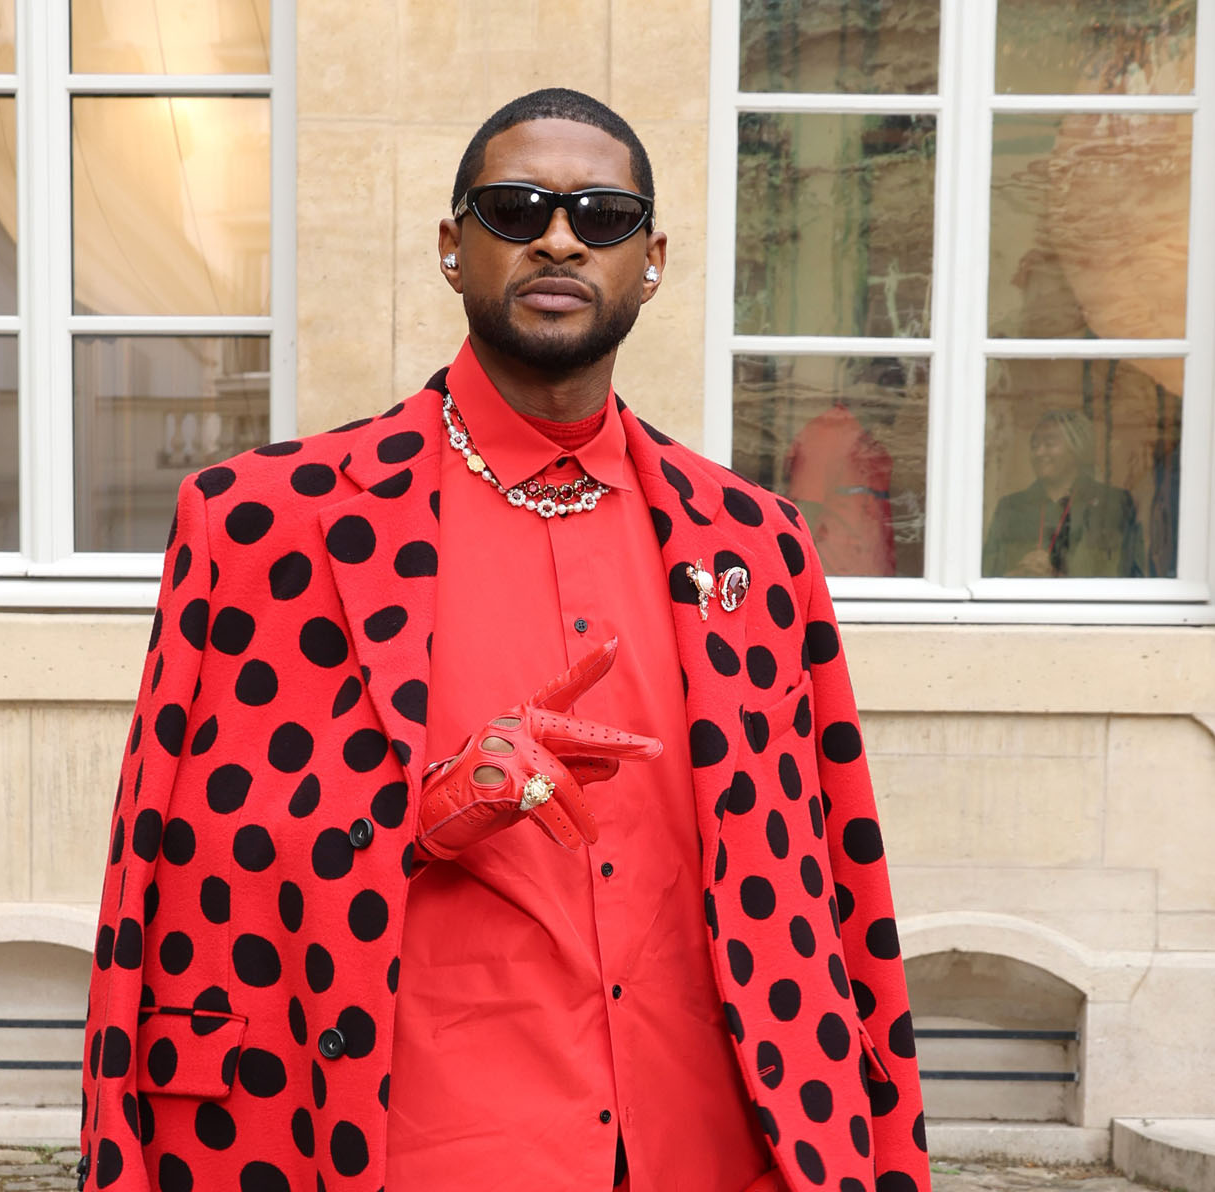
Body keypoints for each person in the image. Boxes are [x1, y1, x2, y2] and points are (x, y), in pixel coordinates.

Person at [78, 88, 929, 1192]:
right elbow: (175, 873)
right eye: (516, 209)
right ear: (453, 247)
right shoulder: (268, 522)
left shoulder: (753, 543)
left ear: (651, 260)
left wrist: (888, 1151)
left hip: (718, 1146)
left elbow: (836, 871)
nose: (560, 239)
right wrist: (431, 809)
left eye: (603, 216)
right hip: (409, 1147)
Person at [982, 408, 1144, 578]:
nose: (1039, 453)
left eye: (1049, 444)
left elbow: (1131, 577)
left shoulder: (1113, 504)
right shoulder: (1010, 508)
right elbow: (987, 576)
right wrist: (1019, 574)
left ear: (1077, 449)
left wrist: (1057, 576)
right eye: (1034, 446)